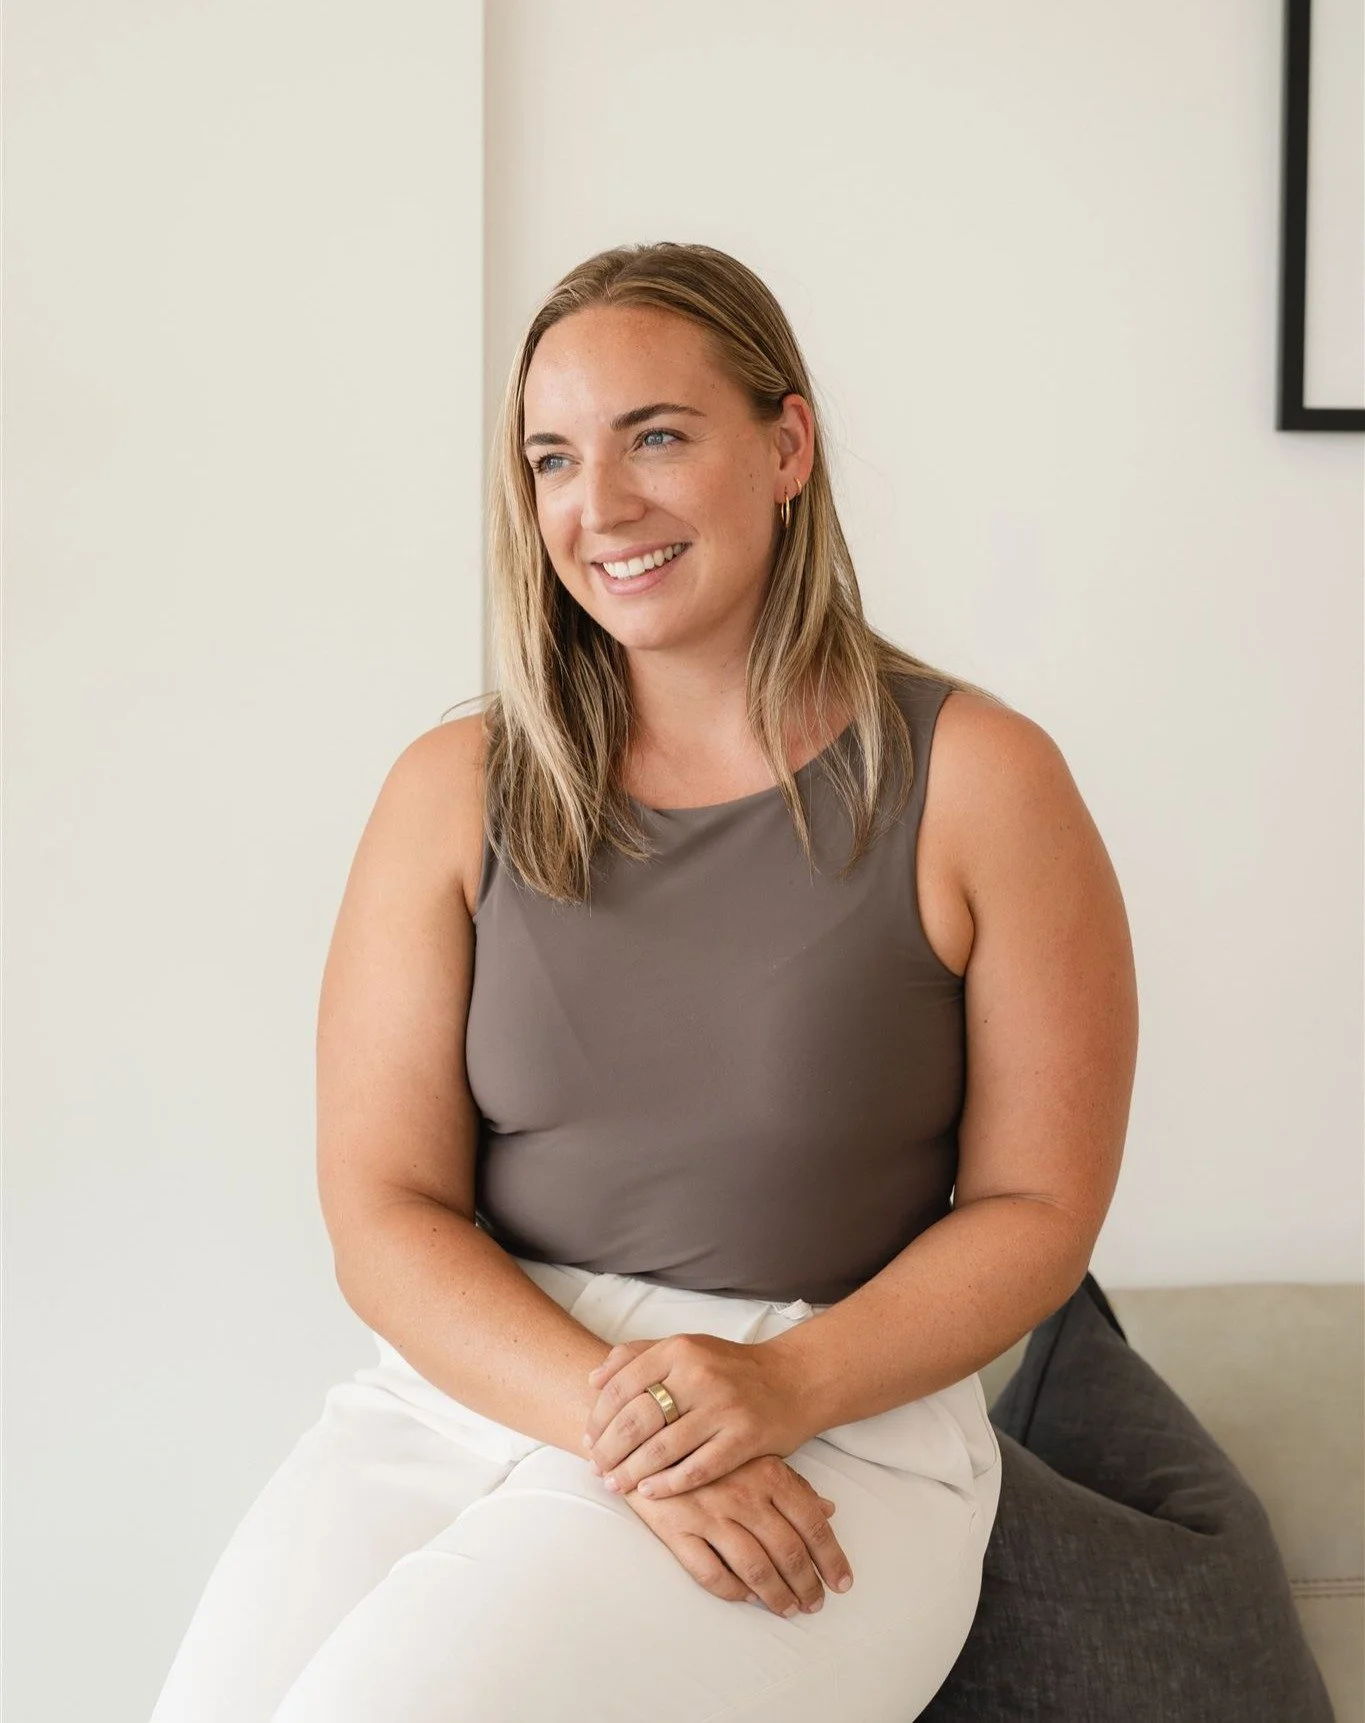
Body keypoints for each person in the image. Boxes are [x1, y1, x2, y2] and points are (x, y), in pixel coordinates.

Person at [149, 241, 1139, 1722]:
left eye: (656, 437)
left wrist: (777, 1389)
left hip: (827, 1418)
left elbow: (1038, 1209)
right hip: (475, 1391)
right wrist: (626, 1427)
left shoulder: (981, 781)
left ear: (787, 447)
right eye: (554, 458)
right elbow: (383, 1207)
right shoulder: (452, 788)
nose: (599, 507)